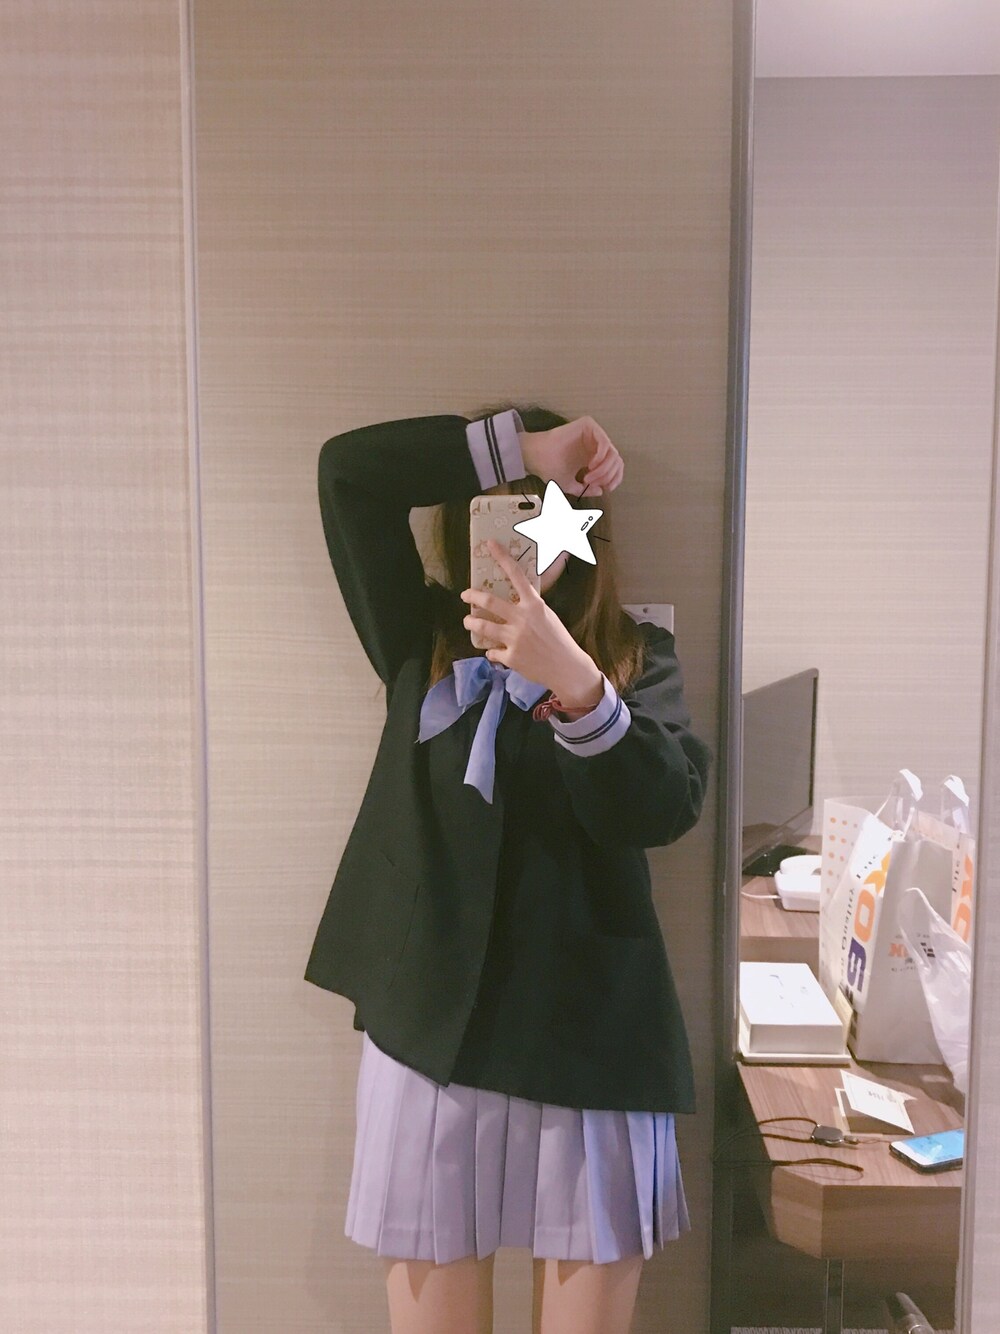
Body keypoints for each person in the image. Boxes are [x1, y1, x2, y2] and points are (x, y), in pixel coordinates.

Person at [307, 404, 714, 1334]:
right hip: (433, 1037)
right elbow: (346, 474)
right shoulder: (420, 641)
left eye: (541, 514)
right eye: (496, 514)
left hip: (594, 1040)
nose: (517, 543)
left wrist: (577, 684)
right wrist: (521, 448)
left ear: (580, 529)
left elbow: (665, 807)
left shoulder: (635, 658)